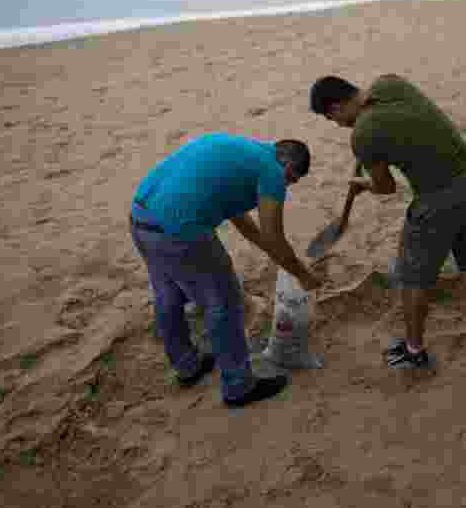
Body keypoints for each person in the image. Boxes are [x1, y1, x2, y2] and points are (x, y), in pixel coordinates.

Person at [310, 74, 466, 370]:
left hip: (436, 202)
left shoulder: (363, 134)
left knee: (412, 279)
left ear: (337, 106)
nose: (338, 125)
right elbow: (406, 128)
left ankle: (414, 350)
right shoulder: (390, 84)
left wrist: (363, 184)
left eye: (332, 118)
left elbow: (386, 187)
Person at [129, 132, 325, 407]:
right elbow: (275, 236)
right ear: (288, 167)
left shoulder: (243, 153)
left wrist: (269, 250)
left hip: (141, 217)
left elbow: (242, 221)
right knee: (225, 300)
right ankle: (239, 386)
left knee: (168, 294)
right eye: (292, 181)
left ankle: (187, 366)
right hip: (179, 231)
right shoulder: (272, 172)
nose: (287, 186)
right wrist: (303, 275)